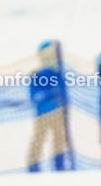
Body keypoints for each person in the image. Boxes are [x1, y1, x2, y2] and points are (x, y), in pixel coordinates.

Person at [26, 40, 69, 172]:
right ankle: (35, 166)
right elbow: (35, 95)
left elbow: (63, 92)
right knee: (43, 139)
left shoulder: (57, 72)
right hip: (46, 112)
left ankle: (56, 165)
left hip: (54, 111)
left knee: (57, 139)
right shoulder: (43, 74)